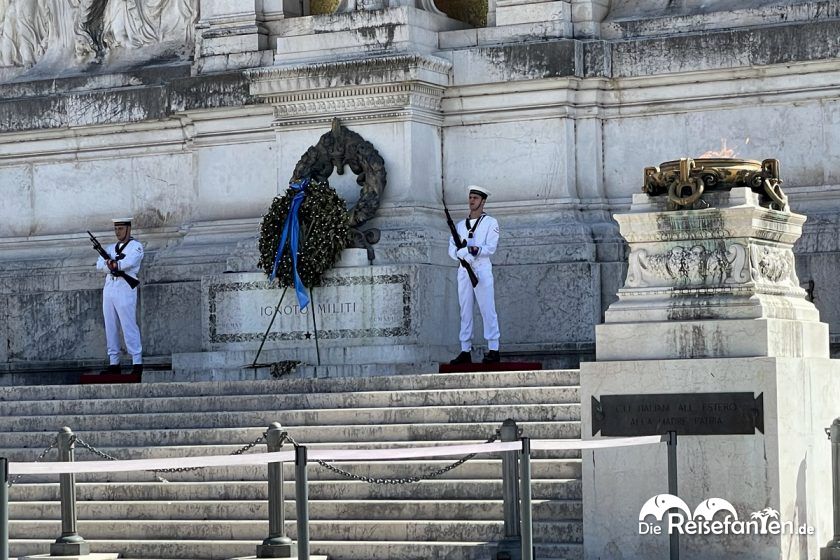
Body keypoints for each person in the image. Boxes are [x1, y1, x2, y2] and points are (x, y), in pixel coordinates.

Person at [448, 185, 501, 364]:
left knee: (487, 309)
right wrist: (459, 254)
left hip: (481, 269)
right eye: (470, 197)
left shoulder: (490, 223)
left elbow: (490, 248)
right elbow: (451, 248)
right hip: (464, 270)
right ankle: (465, 349)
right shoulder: (460, 226)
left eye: (476, 198)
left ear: (483, 201)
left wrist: (470, 251)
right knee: (465, 310)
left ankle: (493, 348)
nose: (472, 201)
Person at [96, 217, 144, 374]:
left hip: (125, 286)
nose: (118, 232)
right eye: (116, 229)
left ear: (128, 229)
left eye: (121, 229)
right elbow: (99, 264)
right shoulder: (111, 248)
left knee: (128, 324)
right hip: (110, 286)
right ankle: (114, 362)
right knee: (110, 325)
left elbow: (129, 262)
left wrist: (114, 265)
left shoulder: (136, 247)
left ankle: (137, 362)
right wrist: (111, 266)